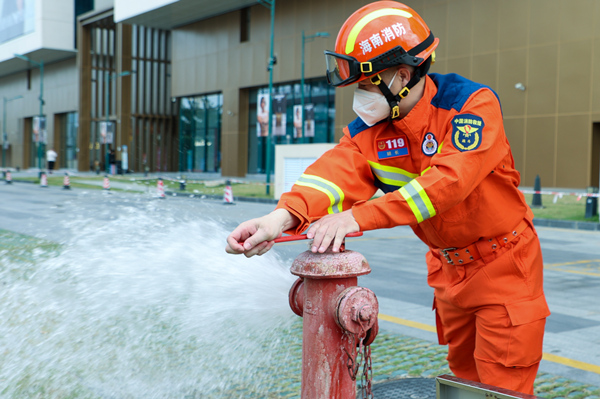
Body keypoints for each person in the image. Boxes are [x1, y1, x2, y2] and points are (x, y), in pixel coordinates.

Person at [226, 1, 549, 395]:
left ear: (402, 75)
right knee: (464, 384)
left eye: (365, 84)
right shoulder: (369, 131)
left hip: (504, 266)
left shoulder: (470, 106)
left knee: (502, 388)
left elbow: (447, 183)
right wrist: (279, 218)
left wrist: (357, 217)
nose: (359, 99)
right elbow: (333, 175)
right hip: (448, 273)